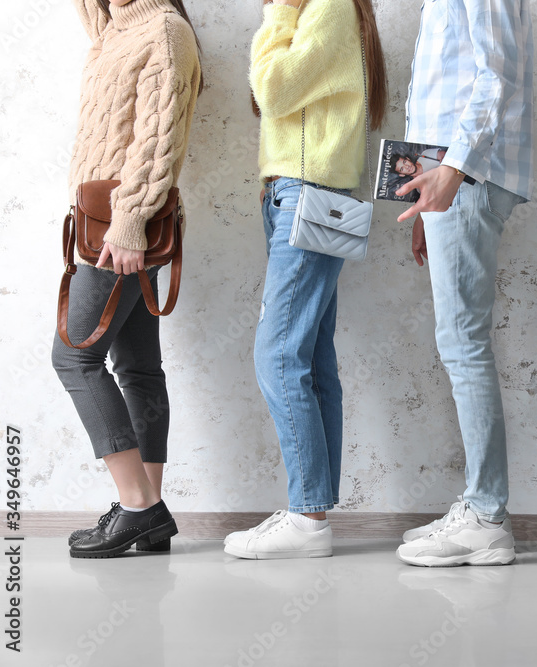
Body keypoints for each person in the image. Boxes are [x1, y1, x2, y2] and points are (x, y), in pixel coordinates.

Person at [222, 0, 388, 559]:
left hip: (306, 192)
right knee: (312, 358)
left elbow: (272, 88)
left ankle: (307, 518)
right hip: (297, 193)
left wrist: (279, 12)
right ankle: (311, 509)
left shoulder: (327, 7)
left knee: (278, 355)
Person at [54, 0, 202, 559]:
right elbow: (96, 18)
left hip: (121, 228)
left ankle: (138, 504)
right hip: (113, 225)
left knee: (74, 357)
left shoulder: (165, 30)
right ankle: (151, 516)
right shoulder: (116, 30)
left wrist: (131, 221)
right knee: (137, 366)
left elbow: (156, 139)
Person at [394, 0, 533, 567]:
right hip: (453, 178)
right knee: (461, 341)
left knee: (463, 343)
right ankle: (480, 507)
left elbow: (495, 74)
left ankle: (487, 515)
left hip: (468, 176)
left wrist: (453, 169)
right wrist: (433, 193)